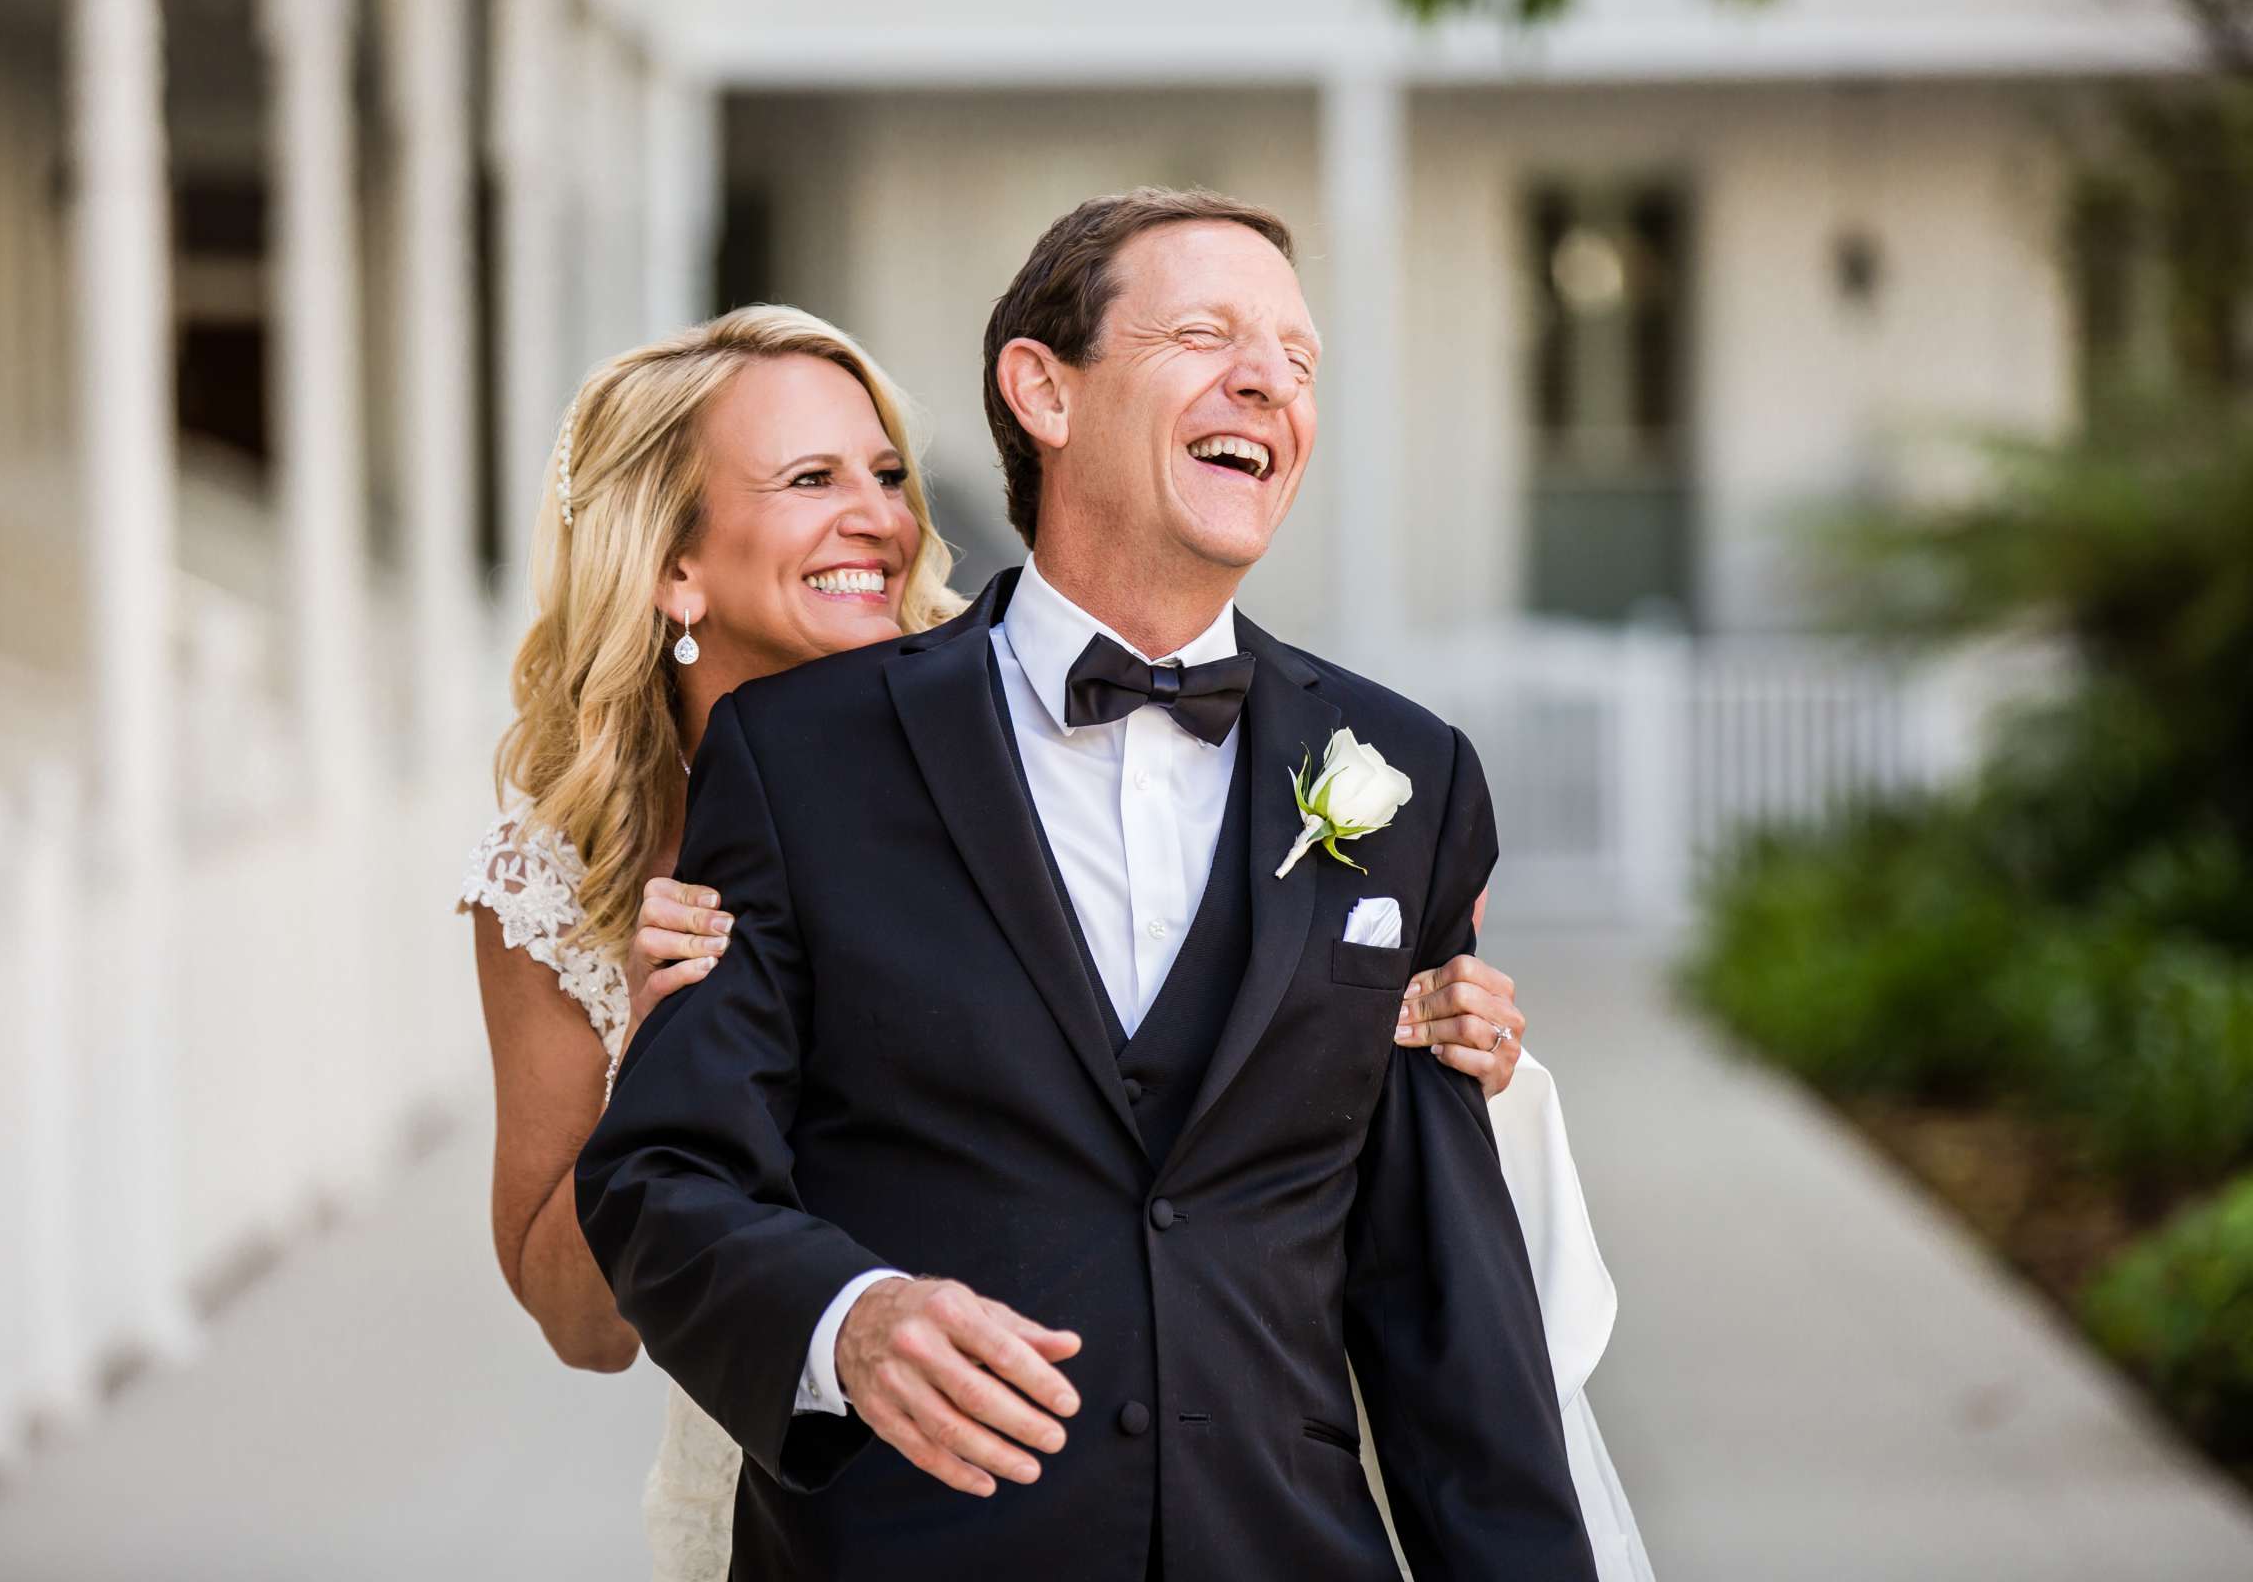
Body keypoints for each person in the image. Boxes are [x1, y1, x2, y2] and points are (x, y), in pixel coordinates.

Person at [574, 188, 1640, 1578]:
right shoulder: (800, 762)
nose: (1269, 379)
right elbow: (662, 1176)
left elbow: (1443, 1303)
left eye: (1300, 361)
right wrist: (844, 1322)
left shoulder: (1411, 780)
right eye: (1207, 333)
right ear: (1044, 391)